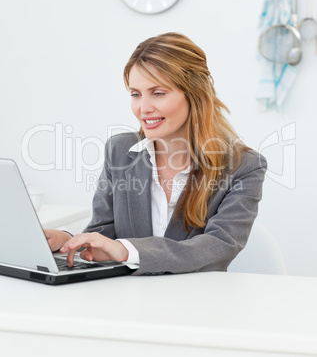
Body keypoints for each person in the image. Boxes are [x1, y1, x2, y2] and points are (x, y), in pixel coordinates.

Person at [44, 32, 267, 275]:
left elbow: (219, 246)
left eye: (158, 93)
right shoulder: (119, 151)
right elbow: (103, 234)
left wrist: (127, 251)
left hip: (198, 302)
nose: (144, 108)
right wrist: (67, 241)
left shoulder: (243, 166)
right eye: (135, 94)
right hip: (125, 300)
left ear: (195, 94)